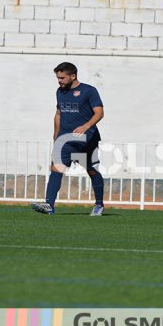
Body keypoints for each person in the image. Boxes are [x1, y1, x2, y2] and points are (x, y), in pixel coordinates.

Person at [31, 62, 105, 216]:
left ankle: (99, 204)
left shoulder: (89, 91)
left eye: (62, 78)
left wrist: (86, 126)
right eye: (58, 78)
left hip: (87, 139)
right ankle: (49, 205)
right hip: (65, 140)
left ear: (73, 76)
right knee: (56, 169)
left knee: (92, 171)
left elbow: (99, 113)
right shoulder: (60, 91)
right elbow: (58, 114)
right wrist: (56, 136)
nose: (60, 81)